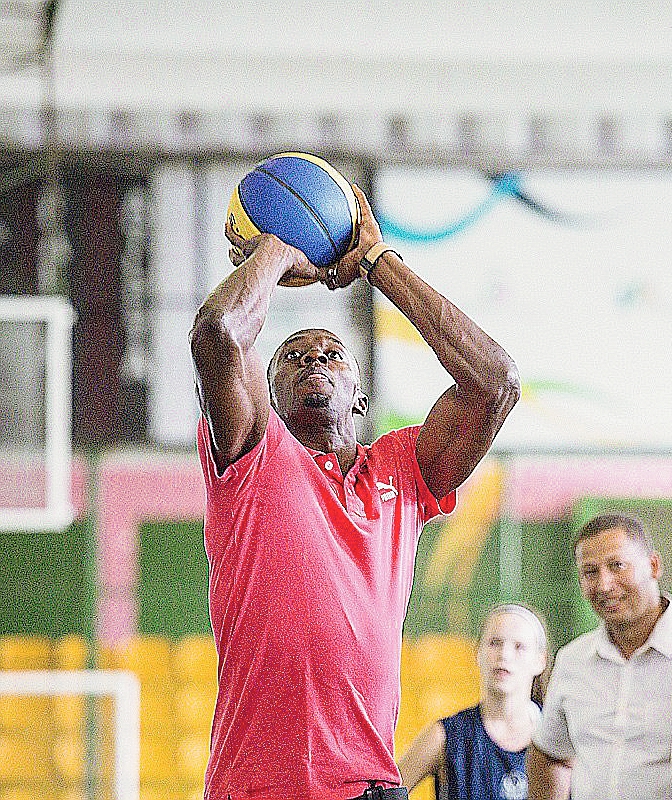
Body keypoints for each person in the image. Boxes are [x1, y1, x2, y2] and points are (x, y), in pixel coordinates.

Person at [190, 183, 519, 800]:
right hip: (254, 789)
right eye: (292, 357)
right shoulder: (253, 457)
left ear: (360, 398)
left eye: (332, 353)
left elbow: (494, 383)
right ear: (270, 398)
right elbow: (217, 335)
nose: (313, 359)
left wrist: (377, 261)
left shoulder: (401, 470)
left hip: (364, 788)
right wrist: (272, 251)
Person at [527, 513, 672, 800]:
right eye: (590, 572)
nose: (604, 585)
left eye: (617, 566)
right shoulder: (572, 659)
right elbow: (549, 753)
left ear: (654, 566)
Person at [397, 604, 548, 800]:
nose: (504, 655)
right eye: (494, 642)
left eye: (519, 646)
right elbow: (391, 789)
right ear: (478, 652)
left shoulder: (561, 735)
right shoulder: (446, 735)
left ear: (540, 661)